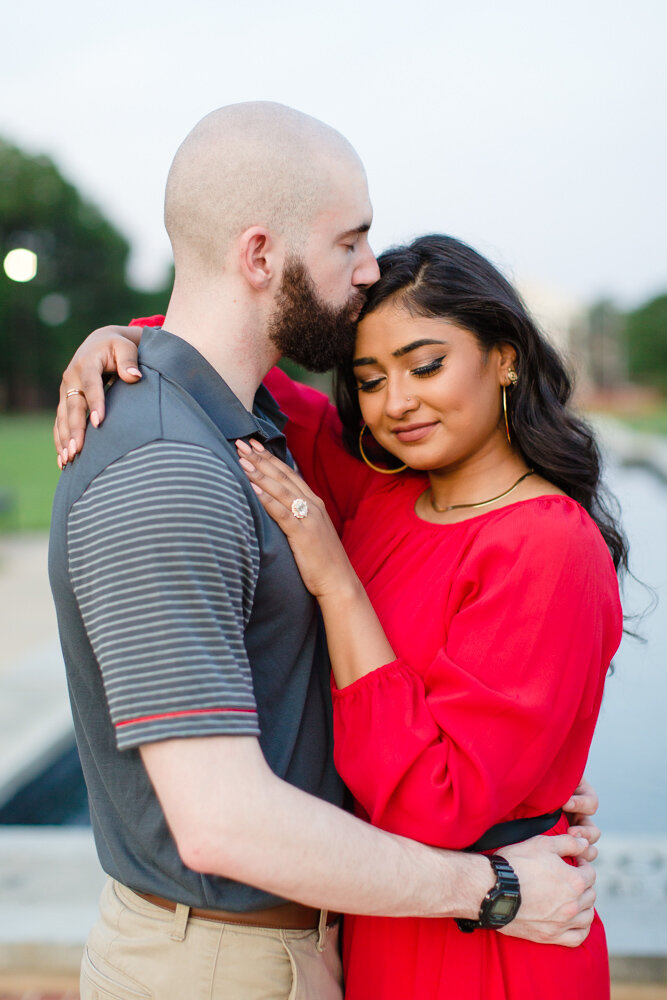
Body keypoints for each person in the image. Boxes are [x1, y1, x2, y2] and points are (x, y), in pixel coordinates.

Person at [51, 106, 601, 1000]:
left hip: (430, 936)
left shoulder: (523, 537)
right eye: (374, 379)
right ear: (263, 255)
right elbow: (214, 354)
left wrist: (527, 803)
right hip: (312, 936)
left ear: (504, 360)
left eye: (426, 366)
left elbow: (449, 788)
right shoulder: (355, 481)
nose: (395, 401)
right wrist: (124, 342)